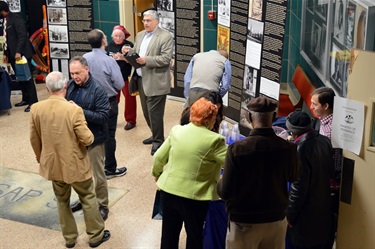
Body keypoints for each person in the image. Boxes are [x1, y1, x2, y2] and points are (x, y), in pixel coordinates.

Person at [29, 71, 110, 248]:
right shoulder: (74, 110)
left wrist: (40, 158)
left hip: (53, 165)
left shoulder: (36, 109)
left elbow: (34, 139)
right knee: (88, 197)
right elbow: (88, 139)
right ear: (65, 87)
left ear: (48, 88)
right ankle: (96, 236)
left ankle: (70, 238)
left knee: (62, 201)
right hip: (76, 165)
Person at [217, 96, 300, 249]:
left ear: (249, 117)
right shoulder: (289, 149)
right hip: (275, 221)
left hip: (244, 222)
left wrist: (219, 180)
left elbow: (225, 191)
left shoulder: (237, 150)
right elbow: (294, 176)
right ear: (274, 117)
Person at [152, 97, 228, 249]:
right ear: (209, 119)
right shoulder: (215, 140)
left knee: (168, 235)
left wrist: (157, 173)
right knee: (194, 236)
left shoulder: (176, 131)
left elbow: (159, 157)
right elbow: (231, 163)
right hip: (195, 198)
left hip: (169, 192)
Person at [65, 56, 110, 221]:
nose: (75, 76)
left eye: (78, 73)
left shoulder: (98, 89)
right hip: (75, 139)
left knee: (98, 175)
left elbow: (103, 116)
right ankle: (84, 199)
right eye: (72, 73)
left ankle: (102, 204)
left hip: (94, 139)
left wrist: (79, 110)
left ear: (87, 70)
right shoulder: (70, 86)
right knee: (79, 174)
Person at [285, 111, 334, 249]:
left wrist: (289, 215)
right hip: (323, 211)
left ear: (293, 132)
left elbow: (298, 188)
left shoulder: (300, 149)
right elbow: (331, 171)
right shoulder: (325, 141)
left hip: (305, 217)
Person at [83, 29, 127, 179]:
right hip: (108, 102)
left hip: (88, 102)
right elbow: (120, 84)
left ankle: (91, 167)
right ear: (103, 41)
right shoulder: (109, 60)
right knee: (109, 136)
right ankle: (109, 169)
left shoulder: (84, 58)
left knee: (89, 133)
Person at [129, 9, 173, 156]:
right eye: (144, 21)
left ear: (156, 21)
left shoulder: (165, 37)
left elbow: (166, 59)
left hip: (156, 81)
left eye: (148, 21)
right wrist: (127, 53)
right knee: (147, 113)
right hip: (141, 79)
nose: (145, 23)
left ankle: (158, 141)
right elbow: (135, 52)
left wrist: (146, 60)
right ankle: (155, 135)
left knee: (155, 113)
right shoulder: (140, 35)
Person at [310, 86, 342, 248]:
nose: (312, 107)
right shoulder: (323, 122)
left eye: (315, 104)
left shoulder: (330, 131)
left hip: (328, 181)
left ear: (326, 106)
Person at [1, 1, 38, 112]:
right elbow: (7, 38)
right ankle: (26, 99)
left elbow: (22, 36)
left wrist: (18, 52)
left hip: (22, 55)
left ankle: (33, 102)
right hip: (13, 55)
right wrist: (6, 54)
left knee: (27, 78)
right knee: (20, 78)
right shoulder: (6, 20)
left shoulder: (15, 18)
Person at [106, 25, 137, 131]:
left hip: (126, 76)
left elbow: (135, 61)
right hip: (113, 78)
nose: (118, 38)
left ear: (124, 37)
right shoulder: (108, 46)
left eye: (120, 36)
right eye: (116, 36)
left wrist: (123, 57)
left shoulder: (129, 45)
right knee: (113, 99)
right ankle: (110, 119)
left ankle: (131, 120)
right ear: (112, 36)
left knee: (130, 99)